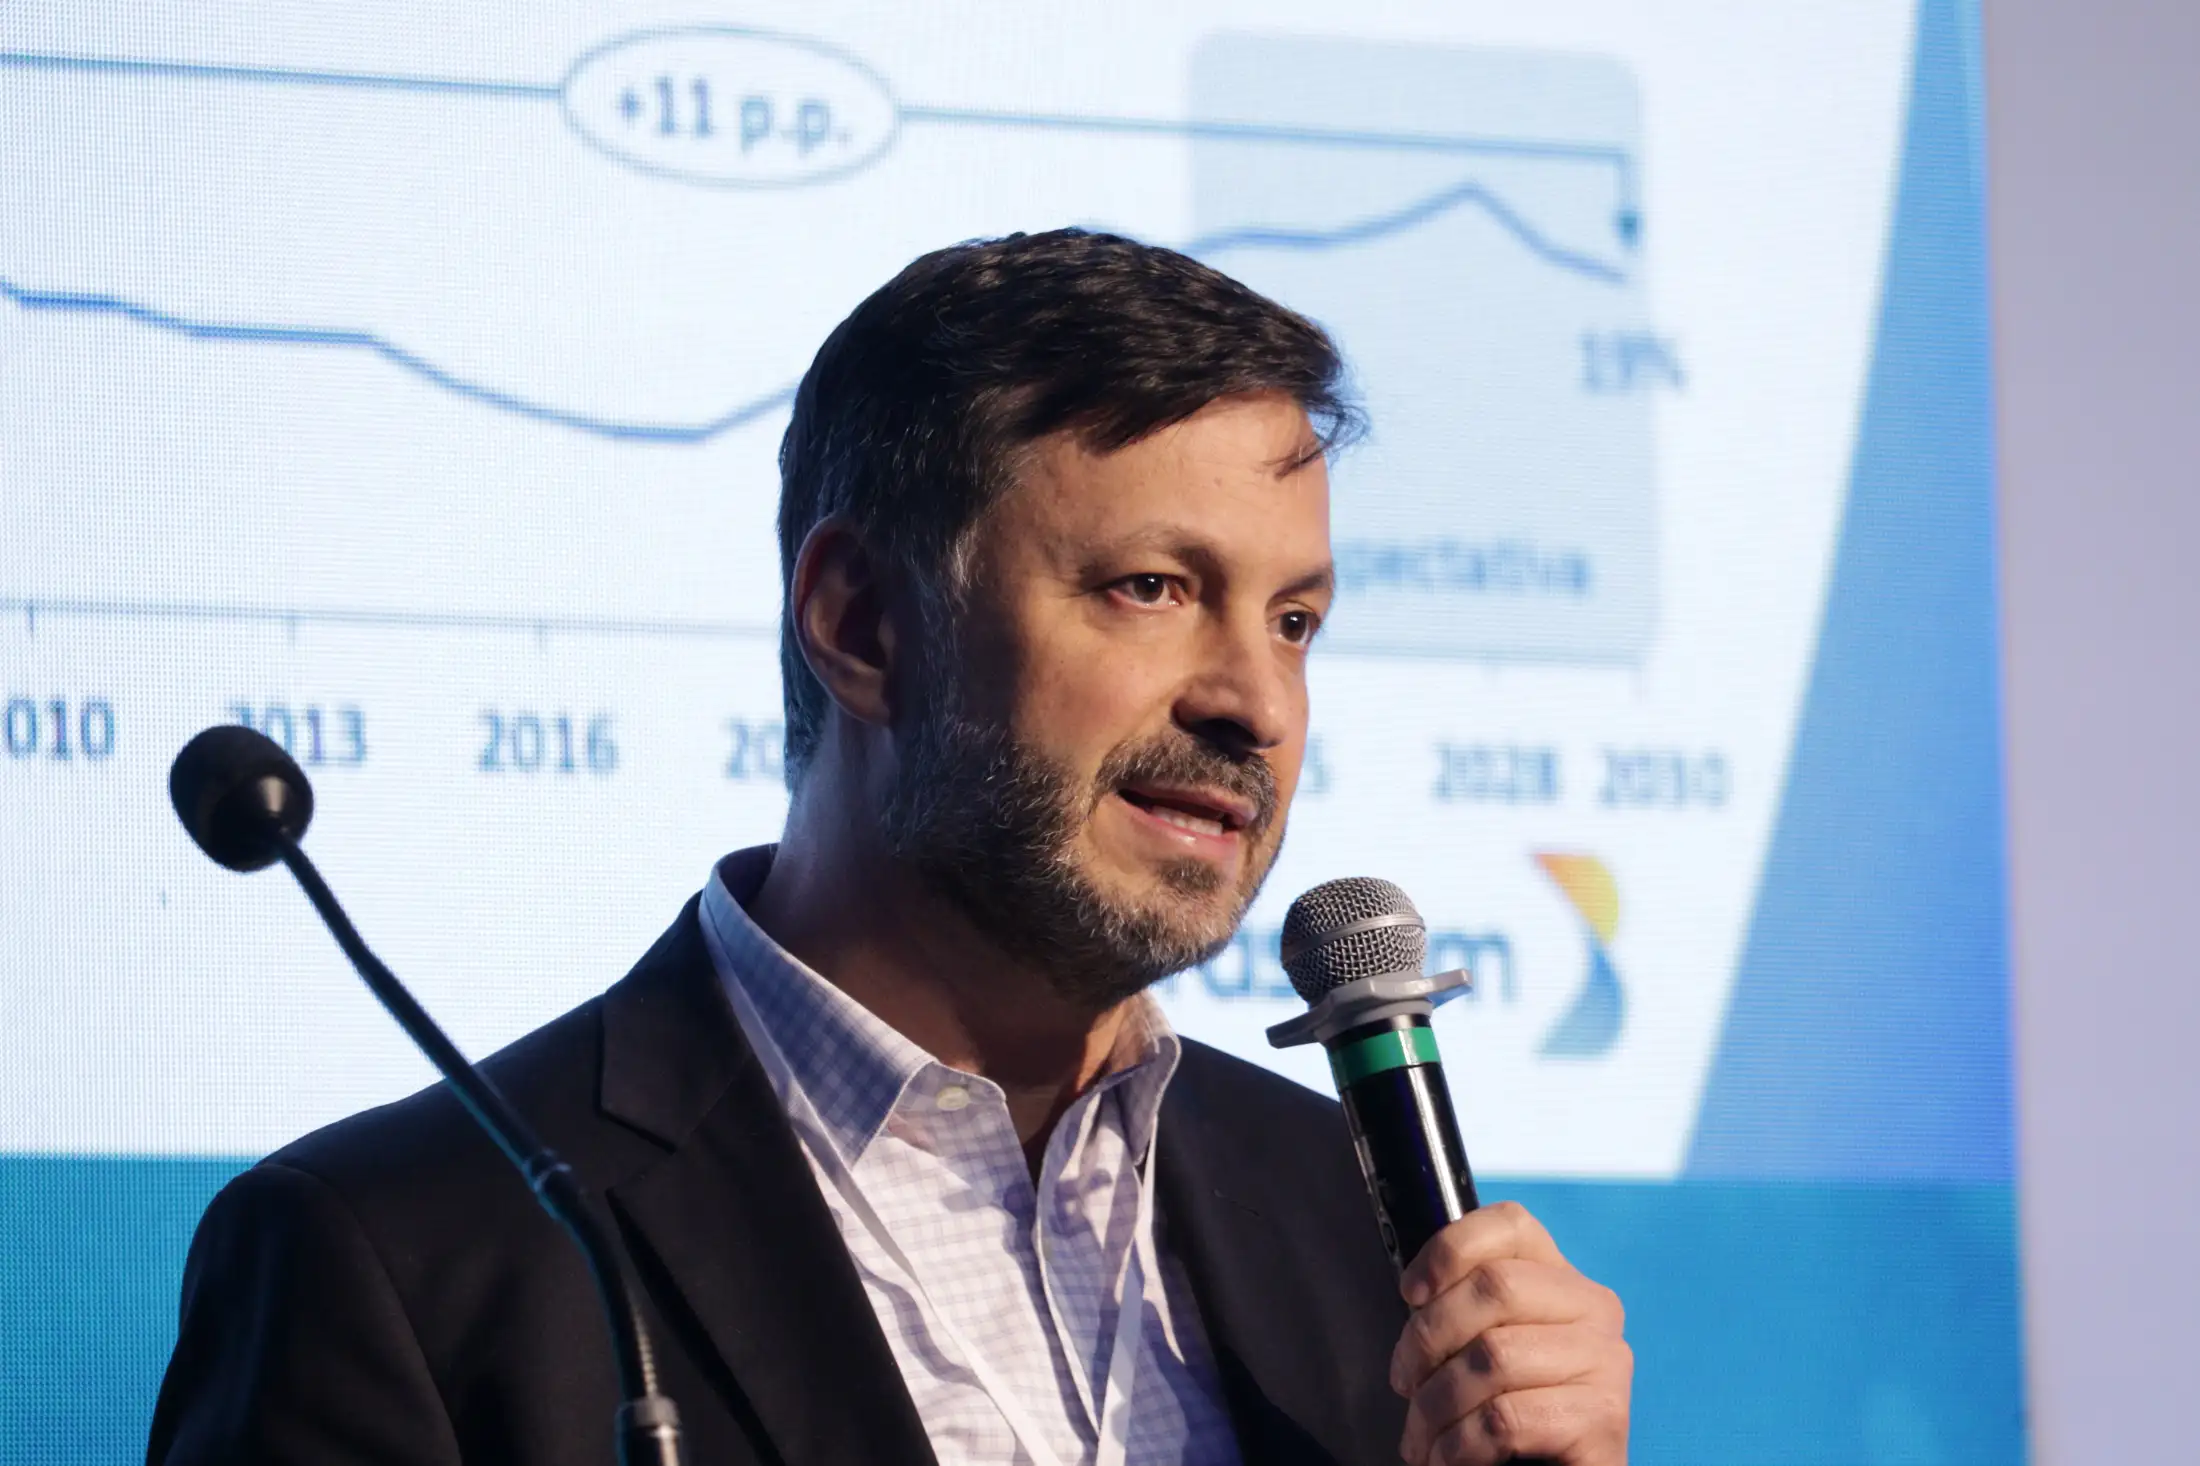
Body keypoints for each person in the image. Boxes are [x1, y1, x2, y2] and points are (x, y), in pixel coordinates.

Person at [149, 229, 1631, 1466]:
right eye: (1152, 587)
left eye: (1294, 620)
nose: (1256, 701)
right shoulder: (408, 1261)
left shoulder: (1358, 1217)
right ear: (861, 623)